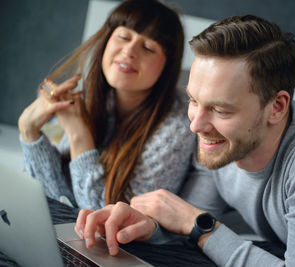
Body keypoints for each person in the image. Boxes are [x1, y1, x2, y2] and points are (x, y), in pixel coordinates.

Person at [75, 15, 295, 266]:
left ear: (277, 106)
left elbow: (198, 225)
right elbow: (191, 229)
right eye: (193, 101)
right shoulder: (220, 147)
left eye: (219, 109)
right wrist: (148, 227)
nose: (196, 126)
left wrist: (200, 224)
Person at [18, 0, 195, 209]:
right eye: (123, 37)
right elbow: (60, 201)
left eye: (148, 47)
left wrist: (78, 135)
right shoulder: (95, 99)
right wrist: (29, 133)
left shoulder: (178, 128)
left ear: (167, 67)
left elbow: (105, 220)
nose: (129, 51)